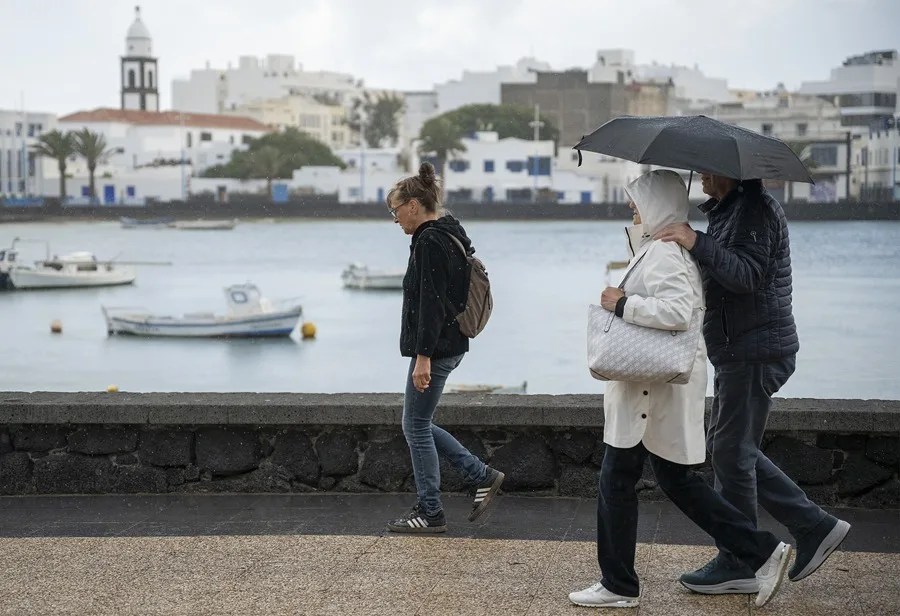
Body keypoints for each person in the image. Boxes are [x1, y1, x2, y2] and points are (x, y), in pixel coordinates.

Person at [570, 170, 791, 609]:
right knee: (674, 481)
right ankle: (762, 550)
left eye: (638, 201)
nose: (631, 208)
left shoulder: (665, 253)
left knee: (617, 481)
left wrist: (623, 303)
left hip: (650, 396)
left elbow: (678, 311)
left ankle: (618, 586)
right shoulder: (657, 248)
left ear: (655, 204)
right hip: (652, 392)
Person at [654, 174, 851, 593]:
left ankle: (749, 556)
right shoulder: (733, 211)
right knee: (730, 450)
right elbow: (727, 269)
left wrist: (696, 241)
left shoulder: (755, 209)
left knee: (732, 451)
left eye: (708, 169)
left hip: (756, 349)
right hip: (738, 348)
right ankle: (794, 533)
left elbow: (746, 275)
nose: (702, 176)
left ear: (730, 172)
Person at [385, 162, 504, 534]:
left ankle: (431, 509)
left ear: (415, 205)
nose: (396, 219)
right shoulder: (449, 233)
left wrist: (423, 357)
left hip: (436, 348)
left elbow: (431, 304)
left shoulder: (429, 241)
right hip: (450, 344)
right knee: (417, 423)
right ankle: (480, 475)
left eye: (396, 210)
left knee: (415, 425)